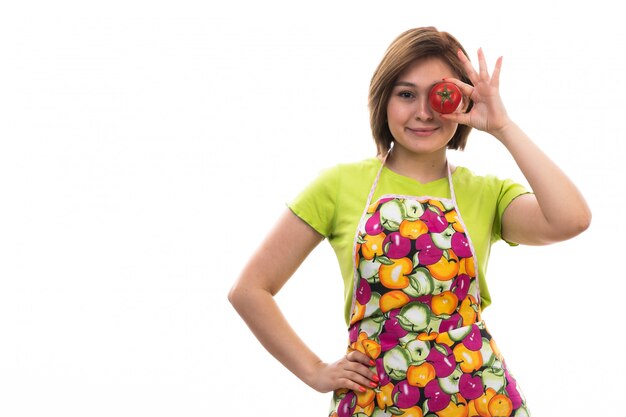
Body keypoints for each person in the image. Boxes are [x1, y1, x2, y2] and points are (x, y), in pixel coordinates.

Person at [228, 26, 591, 417]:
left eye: (441, 95)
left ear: (462, 100)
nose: (423, 112)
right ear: (383, 100)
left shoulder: (486, 193)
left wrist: (502, 126)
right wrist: (315, 371)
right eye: (405, 94)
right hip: (377, 399)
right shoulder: (338, 185)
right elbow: (249, 290)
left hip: (479, 397)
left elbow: (571, 219)